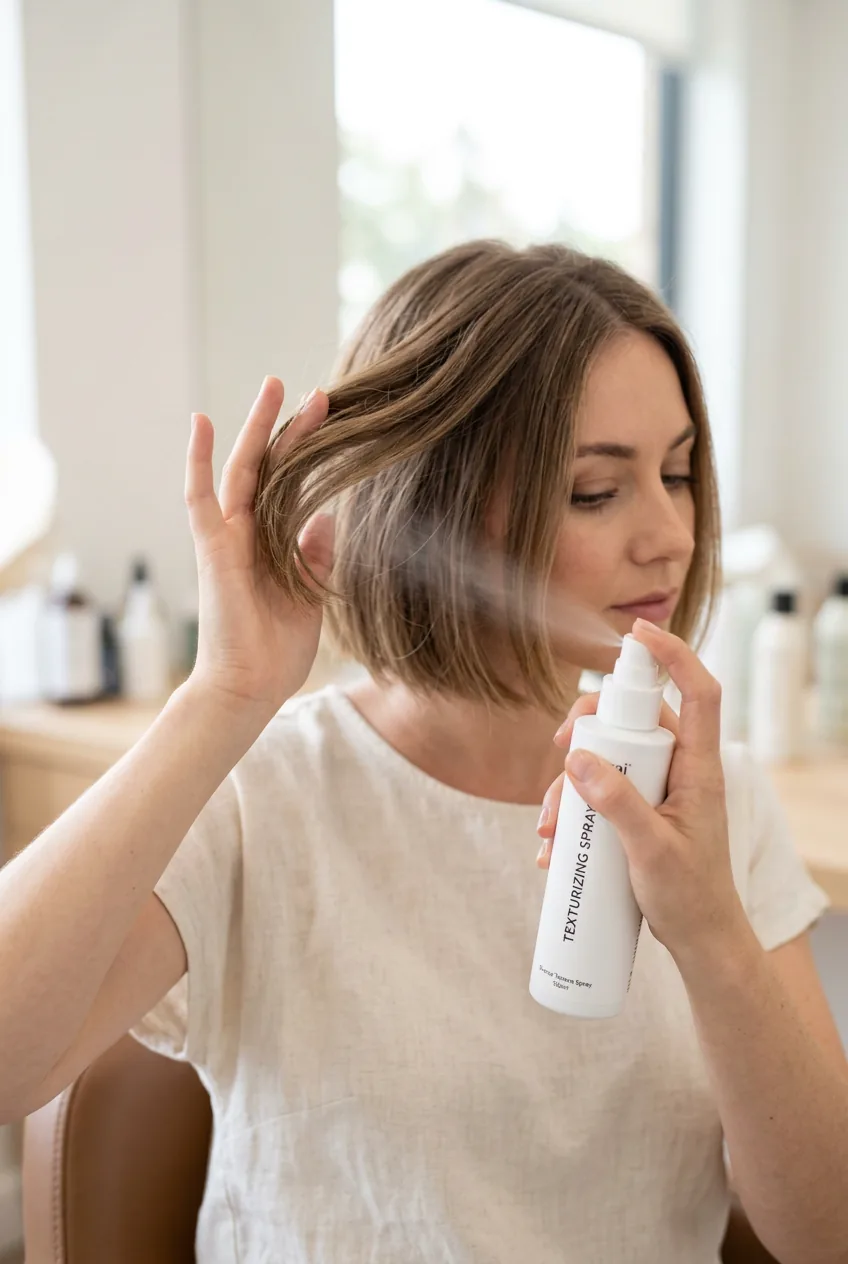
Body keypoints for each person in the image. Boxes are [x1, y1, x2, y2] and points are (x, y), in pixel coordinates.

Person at [1, 241, 846, 1264]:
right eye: (594, 490)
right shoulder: (263, 796)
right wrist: (220, 697)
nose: (668, 533)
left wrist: (710, 933)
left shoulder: (714, 804)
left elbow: (822, 1236)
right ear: (443, 502)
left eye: (676, 472)